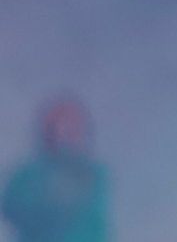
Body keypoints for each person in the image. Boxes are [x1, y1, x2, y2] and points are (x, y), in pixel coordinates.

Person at [1, 98, 108, 242]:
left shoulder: (93, 176)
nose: (64, 138)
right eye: (57, 129)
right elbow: (10, 205)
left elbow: (93, 225)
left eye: (71, 130)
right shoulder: (27, 175)